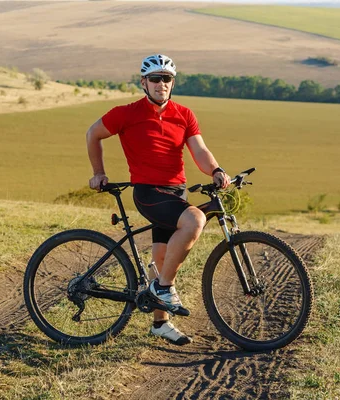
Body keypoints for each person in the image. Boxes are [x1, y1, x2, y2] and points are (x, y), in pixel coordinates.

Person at [86, 54, 230, 346]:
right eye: (155, 78)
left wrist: (215, 169)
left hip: (176, 191)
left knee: (164, 258)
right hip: (149, 192)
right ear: (144, 82)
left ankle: (160, 323)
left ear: (172, 83)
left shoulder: (184, 114)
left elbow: (199, 150)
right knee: (195, 220)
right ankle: (163, 288)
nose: (161, 84)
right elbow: (93, 134)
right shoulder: (126, 113)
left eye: (167, 78)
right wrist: (98, 172)